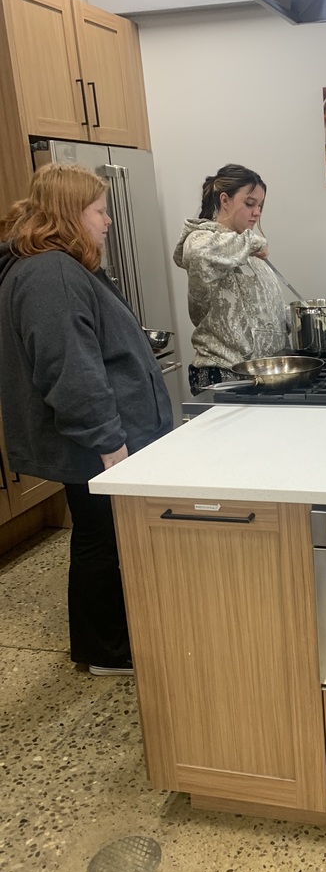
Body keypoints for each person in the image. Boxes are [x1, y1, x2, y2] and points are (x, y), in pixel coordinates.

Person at [0, 163, 174, 676]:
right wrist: (110, 445)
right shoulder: (51, 273)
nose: (108, 221)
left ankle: (109, 642)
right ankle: (107, 651)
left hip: (101, 439)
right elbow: (70, 370)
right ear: (70, 214)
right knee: (102, 540)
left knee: (102, 537)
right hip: (97, 444)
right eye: (99, 211)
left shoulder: (60, 266)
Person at [173, 164, 290, 395]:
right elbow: (199, 254)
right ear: (224, 200)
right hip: (224, 376)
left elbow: (260, 309)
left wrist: (297, 317)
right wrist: (254, 242)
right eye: (249, 203)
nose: (256, 212)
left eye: (260, 205)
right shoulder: (202, 238)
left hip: (259, 377)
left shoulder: (243, 247)